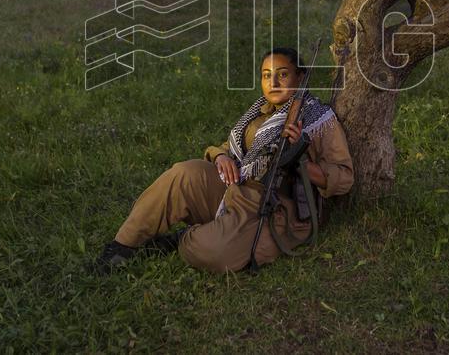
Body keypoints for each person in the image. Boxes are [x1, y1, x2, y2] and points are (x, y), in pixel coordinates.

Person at [91, 47, 354, 274]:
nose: (273, 82)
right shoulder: (259, 112)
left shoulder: (319, 118)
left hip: (274, 209)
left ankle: (181, 239)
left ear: (301, 77)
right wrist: (220, 157)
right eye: (266, 75)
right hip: (235, 188)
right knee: (182, 173)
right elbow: (227, 148)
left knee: (216, 253)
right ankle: (121, 249)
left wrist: (299, 160)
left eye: (282, 75)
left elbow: (344, 176)